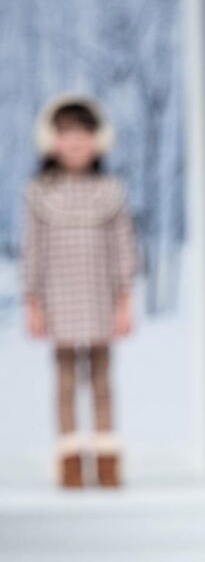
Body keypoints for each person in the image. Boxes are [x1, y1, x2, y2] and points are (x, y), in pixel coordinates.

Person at [21, 94, 137, 489]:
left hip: (100, 294)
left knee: (103, 379)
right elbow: (33, 250)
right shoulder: (41, 193)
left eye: (82, 134)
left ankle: (106, 461)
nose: (74, 143)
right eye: (66, 134)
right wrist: (33, 302)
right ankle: (70, 462)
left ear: (97, 140)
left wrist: (124, 300)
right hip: (58, 295)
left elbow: (123, 247)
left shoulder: (110, 190)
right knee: (66, 380)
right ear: (51, 141)